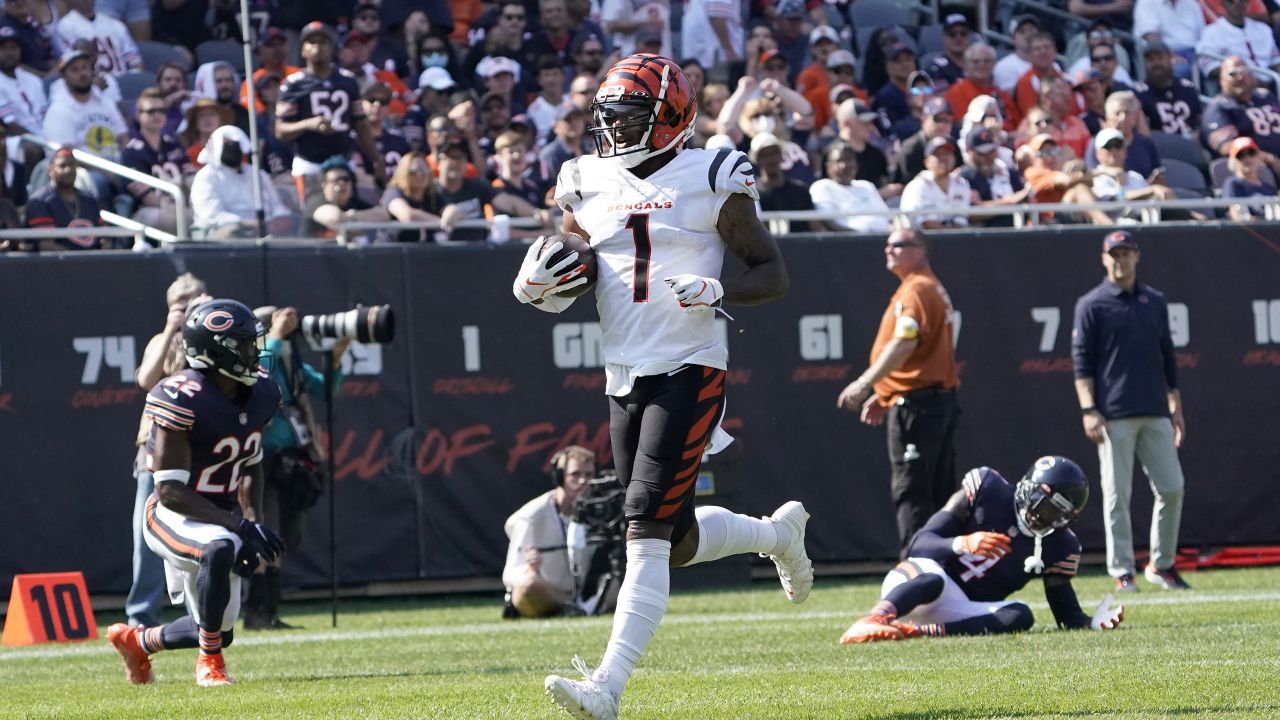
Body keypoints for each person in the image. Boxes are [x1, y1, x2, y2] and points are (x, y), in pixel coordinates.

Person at [514, 54, 810, 720]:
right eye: (607, 116)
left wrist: (719, 289)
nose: (613, 129)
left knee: (642, 526)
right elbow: (578, 261)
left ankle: (607, 687)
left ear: (670, 117)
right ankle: (775, 537)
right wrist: (541, 279)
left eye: (627, 116)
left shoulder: (710, 171)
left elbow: (772, 273)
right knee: (672, 539)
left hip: (692, 365)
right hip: (625, 372)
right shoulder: (584, 177)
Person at [106, 299, 286, 687]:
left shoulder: (260, 393)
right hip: (173, 513)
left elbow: (252, 461)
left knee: (220, 627)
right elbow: (170, 491)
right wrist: (238, 525)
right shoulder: (181, 395)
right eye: (245, 344)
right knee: (218, 548)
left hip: (219, 513)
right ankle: (210, 665)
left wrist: (252, 522)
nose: (256, 352)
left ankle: (136, 641)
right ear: (218, 350)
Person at [839, 456, 1125, 643]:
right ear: (1030, 491)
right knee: (935, 578)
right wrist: (962, 543)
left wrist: (1091, 622)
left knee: (1021, 614)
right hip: (915, 582)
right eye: (1047, 508)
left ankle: (912, 632)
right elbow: (919, 544)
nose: (1049, 520)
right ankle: (874, 618)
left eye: (1060, 516)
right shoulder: (988, 490)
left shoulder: (1061, 544)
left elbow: (1066, 614)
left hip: (960, 608)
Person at [1072, 230, 1191, 593]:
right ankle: (1122, 571)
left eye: (1126, 254)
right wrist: (1090, 409)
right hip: (1113, 414)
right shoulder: (1091, 304)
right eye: (1114, 254)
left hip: (1155, 409)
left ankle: (1162, 564)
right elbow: (1082, 362)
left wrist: (1176, 407)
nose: (1120, 261)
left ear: (1137, 257)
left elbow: (1167, 355)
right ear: (1103, 259)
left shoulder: (1154, 300)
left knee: (1172, 488)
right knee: (1116, 494)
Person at [836, 228, 960, 555]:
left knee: (913, 490)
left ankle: (917, 567)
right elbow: (925, 354)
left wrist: (865, 384)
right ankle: (945, 569)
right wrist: (887, 391)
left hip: (919, 409)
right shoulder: (924, 287)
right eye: (887, 244)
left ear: (921, 251)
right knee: (938, 490)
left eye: (898, 244)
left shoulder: (917, 289)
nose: (888, 249)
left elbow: (906, 343)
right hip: (928, 400)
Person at [242, 306, 349, 630]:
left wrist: (336, 357)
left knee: (286, 535)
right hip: (261, 459)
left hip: (292, 457)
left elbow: (324, 388)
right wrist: (274, 336)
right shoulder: (252, 360)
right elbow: (259, 376)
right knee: (265, 529)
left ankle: (270, 610)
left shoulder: (290, 357)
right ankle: (257, 611)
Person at [126, 273, 209, 629]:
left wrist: (207, 319)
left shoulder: (207, 340)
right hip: (155, 448)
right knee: (146, 536)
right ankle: (141, 617)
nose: (188, 309)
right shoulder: (160, 340)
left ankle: (201, 614)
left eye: (195, 300)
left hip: (198, 449)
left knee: (200, 531)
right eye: (182, 304)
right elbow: (146, 379)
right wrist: (170, 327)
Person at [276, 21, 385, 206]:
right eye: (311, 42)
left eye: (323, 41)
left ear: (332, 48)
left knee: (347, 213)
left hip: (342, 162)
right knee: (312, 215)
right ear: (302, 50)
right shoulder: (294, 84)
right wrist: (308, 124)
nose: (317, 46)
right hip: (309, 162)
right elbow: (280, 130)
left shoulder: (347, 81)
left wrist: (376, 158)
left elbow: (361, 125)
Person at [503, 446, 603, 618]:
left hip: (583, 592)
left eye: (588, 475)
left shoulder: (599, 511)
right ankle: (576, 607)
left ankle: (583, 607)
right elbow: (509, 575)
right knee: (528, 586)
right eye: (575, 474)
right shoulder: (532, 517)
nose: (582, 481)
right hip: (544, 593)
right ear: (559, 477)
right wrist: (530, 569)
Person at [189, 125, 293, 239]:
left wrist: (279, 219)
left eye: (236, 144)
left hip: (265, 228)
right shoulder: (206, 176)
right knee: (232, 232)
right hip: (224, 231)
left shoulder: (256, 173)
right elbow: (212, 215)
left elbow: (276, 205)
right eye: (226, 144)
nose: (232, 148)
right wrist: (247, 223)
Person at [22, 148, 105, 251]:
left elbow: (103, 236)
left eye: (72, 165)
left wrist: (103, 251)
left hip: (93, 262)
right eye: (62, 166)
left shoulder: (89, 199)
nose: (68, 169)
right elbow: (46, 245)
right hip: (58, 264)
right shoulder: (40, 201)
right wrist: (80, 261)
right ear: (50, 170)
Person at [1221, 136, 1277, 220]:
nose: (1247, 158)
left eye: (1251, 153)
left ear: (1258, 157)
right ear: (1233, 161)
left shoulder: (1268, 187)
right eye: (1240, 155)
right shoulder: (1233, 183)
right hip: (1250, 231)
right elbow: (1237, 217)